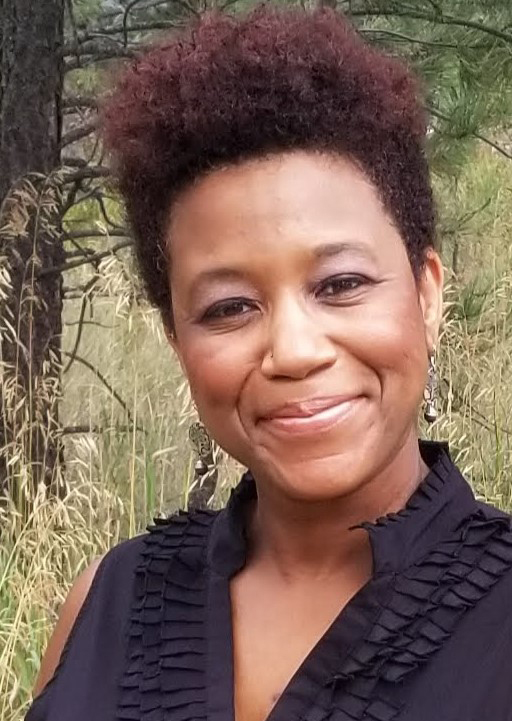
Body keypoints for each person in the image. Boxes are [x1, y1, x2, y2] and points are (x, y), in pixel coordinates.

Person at [26, 7, 512, 721]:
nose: (292, 350)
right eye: (228, 307)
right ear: (175, 338)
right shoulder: (107, 598)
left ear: (428, 293)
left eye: (340, 284)